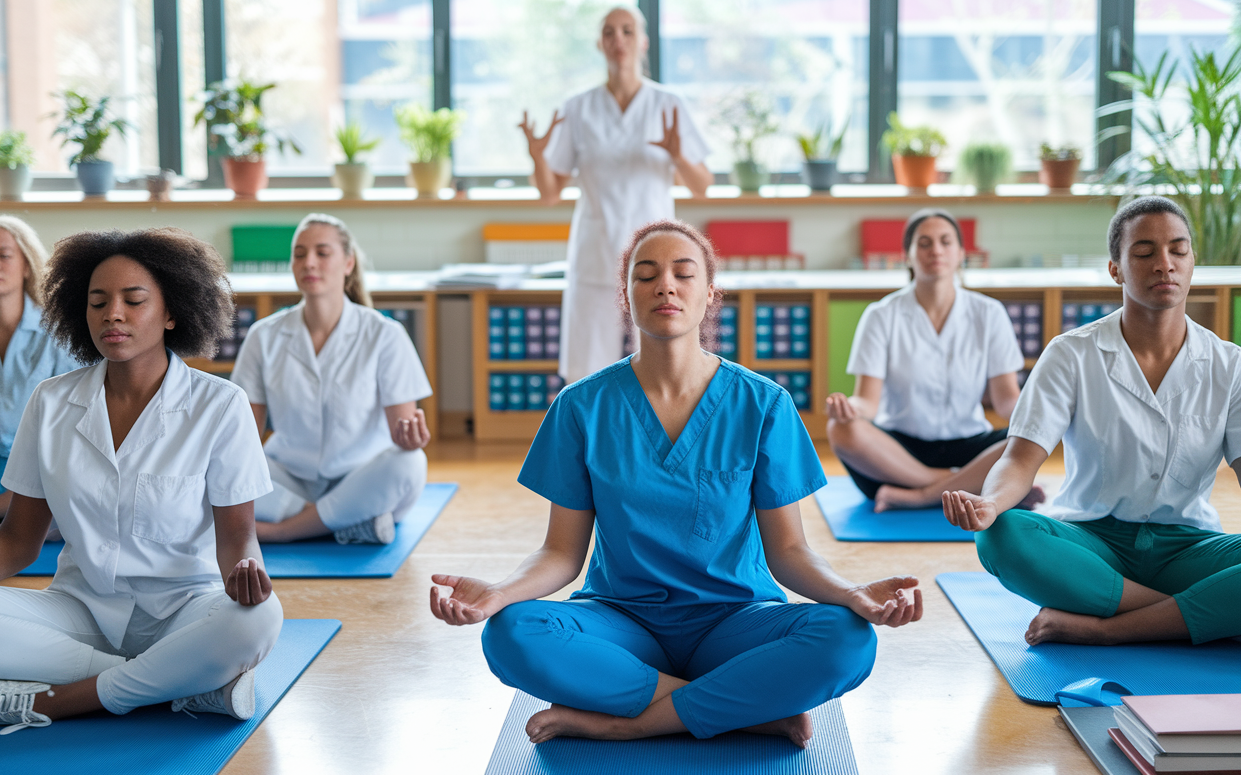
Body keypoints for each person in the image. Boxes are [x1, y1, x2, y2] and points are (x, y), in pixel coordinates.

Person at [430, 219, 921, 747]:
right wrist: (499, 594)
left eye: (683, 274)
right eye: (646, 275)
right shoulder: (581, 406)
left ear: (709, 293)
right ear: (626, 295)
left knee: (847, 638)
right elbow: (561, 554)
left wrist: (852, 595)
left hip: (737, 620)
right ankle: (744, 708)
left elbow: (789, 552)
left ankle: (636, 722)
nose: (666, 285)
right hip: (621, 620)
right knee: (511, 634)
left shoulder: (763, 404)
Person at [0, 227, 282, 733]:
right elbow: (18, 541)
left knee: (259, 620)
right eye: (97, 302)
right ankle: (180, 685)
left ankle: (54, 700)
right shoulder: (49, 401)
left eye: (134, 301)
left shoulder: (220, 406)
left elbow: (237, 538)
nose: (113, 313)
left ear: (172, 312)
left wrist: (245, 577)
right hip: (77, 613)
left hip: (185, 612)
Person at [943, 196, 1241, 646]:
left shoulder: (1230, 365)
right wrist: (991, 503)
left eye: (1178, 250)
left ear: (1192, 261)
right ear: (1116, 269)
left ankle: (1110, 628)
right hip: (1091, 544)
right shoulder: (1071, 353)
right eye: (1144, 253)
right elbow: (1021, 458)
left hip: (1189, 545)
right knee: (1001, 535)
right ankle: (1194, 615)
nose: (1165, 264)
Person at [521, 5, 713, 383]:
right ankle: (592, 441)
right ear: (599, 43)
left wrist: (677, 155)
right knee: (588, 372)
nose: (618, 39)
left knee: (661, 365)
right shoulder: (578, 109)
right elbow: (549, 193)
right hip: (597, 255)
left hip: (658, 259)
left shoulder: (668, 104)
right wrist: (537, 157)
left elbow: (702, 186)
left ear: (642, 42)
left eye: (627, 31)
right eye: (609, 32)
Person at [231, 214, 432, 545]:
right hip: (287, 477)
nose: (309, 262)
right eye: (299, 254)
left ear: (348, 263)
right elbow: (246, 435)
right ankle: (346, 522)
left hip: (360, 478)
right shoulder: (263, 335)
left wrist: (411, 439)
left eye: (322, 253)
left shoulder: (385, 335)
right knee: (217, 468)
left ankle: (283, 531)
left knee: (409, 463)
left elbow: (402, 434)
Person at [826, 208, 1043, 512]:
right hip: (898, 455)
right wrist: (848, 409)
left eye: (945, 241)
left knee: (1025, 440)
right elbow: (867, 403)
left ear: (960, 254)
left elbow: (1007, 402)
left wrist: (1042, 419)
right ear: (908, 255)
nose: (936, 250)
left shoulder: (989, 313)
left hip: (971, 448)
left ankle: (921, 496)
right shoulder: (881, 315)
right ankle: (954, 484)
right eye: (924, 243)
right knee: (841, 428)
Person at [0, 216, 77, 545]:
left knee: (76, 493)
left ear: (26, 265)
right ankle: (11, 530)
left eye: (4, 255)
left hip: (45, 474)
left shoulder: (59, 334)